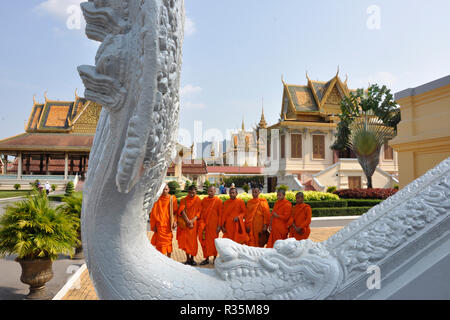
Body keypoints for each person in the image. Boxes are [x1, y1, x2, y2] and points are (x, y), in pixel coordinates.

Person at [149, 184, 178, 257]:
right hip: (159, 225)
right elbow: (153, 213)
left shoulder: (172, 198)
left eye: (166, 189)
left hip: (168, 224)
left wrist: (175, 221)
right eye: (163, 189)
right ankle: (161, 260)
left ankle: (168, 260)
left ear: (169, 190)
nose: (164, 191)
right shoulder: (157, 199)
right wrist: (154, 225)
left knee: (168, 243)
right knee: (160, 244)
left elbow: (175, 212)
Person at [177, 185, 202, 265]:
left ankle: (192, 259)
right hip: (186, 224)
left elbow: (199, 212)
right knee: (186, 242)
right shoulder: (183, 200)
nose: (192, 194)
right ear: (188, 192)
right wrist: (188, 221)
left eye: (193, 193)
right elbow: (181, 211)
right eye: (190, 193)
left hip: (194, 224)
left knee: (193, 242)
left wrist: (192, 221)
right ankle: (187, 259)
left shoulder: (198, 200)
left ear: (196, 192)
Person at [198, 186, 223, 265]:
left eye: (212, 191)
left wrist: (219, 226)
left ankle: (215, 259)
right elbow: (201, 211)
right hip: (205, 225)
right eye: (209, 191)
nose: (210, 193)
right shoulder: (204, 200)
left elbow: (220, 215)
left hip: (214, 226)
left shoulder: (218, 201)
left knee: (214, 243)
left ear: (215, 191)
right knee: (205, 242)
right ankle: (206, 258)